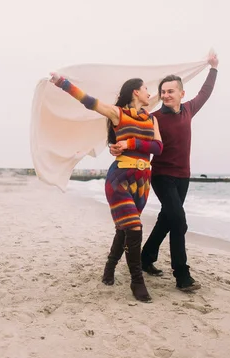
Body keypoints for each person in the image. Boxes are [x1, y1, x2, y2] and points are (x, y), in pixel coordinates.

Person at [49, 72, 163, 302]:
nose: (149, 94)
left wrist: (129, 142)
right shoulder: (117, 113)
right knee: (133, 227)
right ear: (135, 92)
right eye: (145, 89)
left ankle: (109, 267)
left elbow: (158, 148)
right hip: (120, 179)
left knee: (125, 229)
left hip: (142, 182)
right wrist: (63, 83)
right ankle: (137, 281)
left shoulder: (152, 119)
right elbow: (89, 101)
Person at [110, 51, 219, 291]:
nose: (166, 95)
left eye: (171, 91)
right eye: (163, 92)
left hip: (183, 176)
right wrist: (118, 147)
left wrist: (213, 68)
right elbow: (132, 132)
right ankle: (182, 275)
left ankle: (147, 257)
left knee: (167, 219)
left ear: (181, 93)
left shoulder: (189, 109)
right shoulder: (153, 118)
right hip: (160, 176)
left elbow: (206, 92)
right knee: (179, 221)